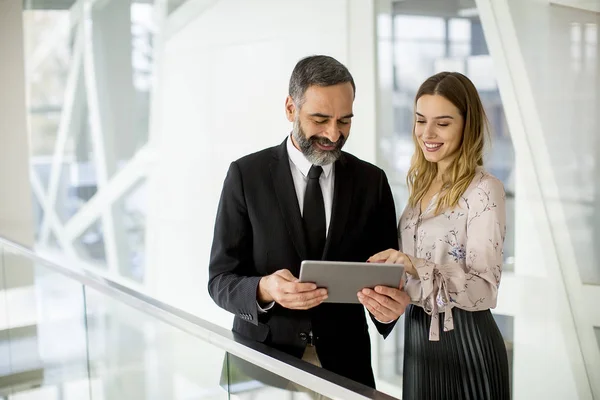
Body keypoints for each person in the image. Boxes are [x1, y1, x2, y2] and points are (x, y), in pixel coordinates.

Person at [208, 55, 410, 389]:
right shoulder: (246, 175)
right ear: (290, 109)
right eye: (320, 119)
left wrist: (389, 309)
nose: (333, 134)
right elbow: (220, 279)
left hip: (346, 367)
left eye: (344, 120)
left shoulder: (371, 182)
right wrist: (264, 289)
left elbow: (385, 276)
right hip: (262, 365)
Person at [367, 72, 510, 399]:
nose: (427, 133)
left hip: (467, 344)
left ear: (467, 125)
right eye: (420, 120)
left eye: (442, 123)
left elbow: (484, 289)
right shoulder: (419, 188)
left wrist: (414, 265)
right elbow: (418, 282)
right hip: (418, 341)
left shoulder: (485, 190)